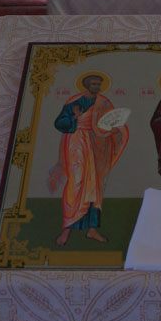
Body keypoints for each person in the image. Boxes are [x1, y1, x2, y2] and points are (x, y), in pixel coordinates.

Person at [49, 74, 129, 246]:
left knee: (95, 186)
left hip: (97, 145)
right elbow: (59, 123)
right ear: (86, 85)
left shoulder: (104, 103)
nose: (96, 86)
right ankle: (67, 229)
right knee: (76, 183)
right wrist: (74, 118)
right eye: (93, 84)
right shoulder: (75, 102)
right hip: (77, 144)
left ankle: (92, 230)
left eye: (98, 84)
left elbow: (108, 123)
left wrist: (113, 130)